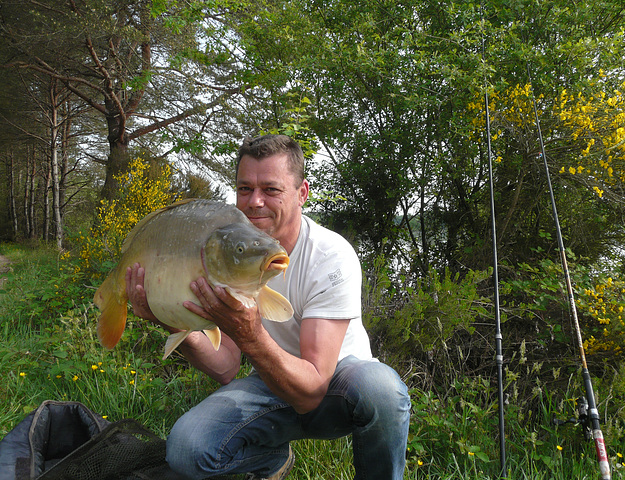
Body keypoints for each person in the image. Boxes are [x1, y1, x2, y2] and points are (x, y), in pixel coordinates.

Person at [125, 134, 411, 479]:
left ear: (302, 193)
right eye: (245, 189)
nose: (254, 201)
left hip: (337, 386)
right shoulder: (229, 254)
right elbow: (226, 366)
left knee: (381, 388)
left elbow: (311, 392)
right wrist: (170, 322)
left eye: (271, 190)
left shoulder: (331, 256)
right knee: (186, 448)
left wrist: (250, 334)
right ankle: (268, 460)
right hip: (269, 381)